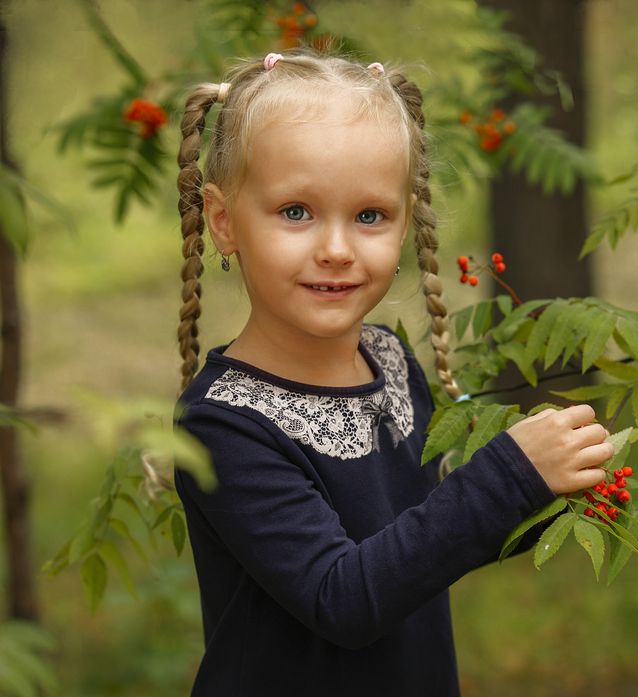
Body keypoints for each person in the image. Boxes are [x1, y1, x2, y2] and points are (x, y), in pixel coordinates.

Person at [173, 49, 613, 696]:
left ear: (405, 220)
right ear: (223, 220)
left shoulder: (386, 359)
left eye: (369, 215)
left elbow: (426, 537)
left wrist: (547, 491)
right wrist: (509, 476)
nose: (335, 248)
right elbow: (342, 597)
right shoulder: (222, 422)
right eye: (296, 211)